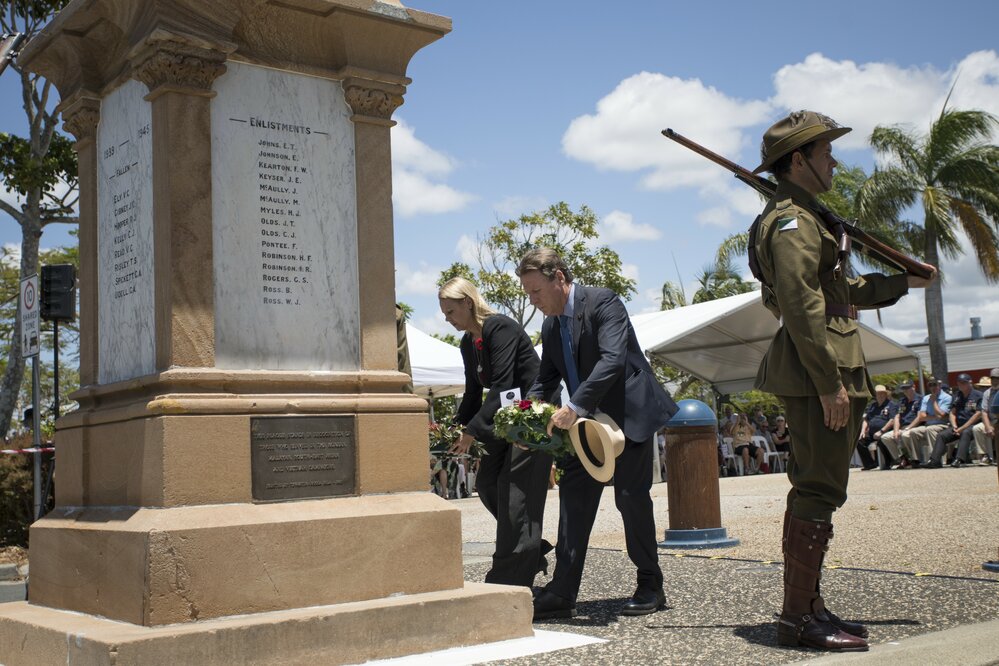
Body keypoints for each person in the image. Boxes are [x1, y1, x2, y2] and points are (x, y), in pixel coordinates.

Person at [751, 110, 936, 651]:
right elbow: (802, 302)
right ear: (799, 160)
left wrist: (902, 281)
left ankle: (805, 606)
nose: (835, 160)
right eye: (826, 152)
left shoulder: (806, 217)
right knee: (818, 489)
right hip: (820, 371)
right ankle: (798, 617)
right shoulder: (792, 221)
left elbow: (841, 289)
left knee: (818, 488)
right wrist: (830, 382)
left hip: (824, 366)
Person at [517, 247, 678, 620]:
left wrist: (573, 407)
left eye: (536, 291)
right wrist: (525, 416)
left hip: (628, 416)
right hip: (585, 425)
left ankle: (651, 584)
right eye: (528, 294)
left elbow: (612, 361)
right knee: (573, 499)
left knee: (630, 499)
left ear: (559, 277)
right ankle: (562, 591)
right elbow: (545, 379)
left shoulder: (604, 302)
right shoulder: (550, 325)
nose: (533, 301)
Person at [439, 277, 553, 587]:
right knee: (488, 484)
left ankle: (510, 577)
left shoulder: (499, 327)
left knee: (513, 488)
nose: (447, 319)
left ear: (468, 303)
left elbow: (503, 385)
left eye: (451, 311)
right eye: (444, 313)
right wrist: (455, 428)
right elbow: (474, 392)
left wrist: (473, 432)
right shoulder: (468, 342)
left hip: (533, 413)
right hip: (506, 415)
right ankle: (530, 547)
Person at [925, 373, 983, 468]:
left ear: (970, 382)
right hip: (958, 425)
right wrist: (955, 426)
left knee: (966, 432)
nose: (961, 384)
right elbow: (952, 412)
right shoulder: (957, 396)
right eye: (959, 382)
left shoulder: (978, 395)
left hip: (973, 425)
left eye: (964, 382)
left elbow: (977, 415)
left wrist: (962, 428)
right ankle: (934, 460)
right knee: (942, 435)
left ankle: (959, 459)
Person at [898, 378, 952, 466]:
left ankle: (934, 459)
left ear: (939, 385)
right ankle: (916, 460)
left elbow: (942, 415)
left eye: (935, 385)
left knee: (930, 430)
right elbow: (921, 417)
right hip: (928, 425)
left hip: (943, 425)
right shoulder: (926, 398)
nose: (933, 387)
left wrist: (934, 401)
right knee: (913, 432)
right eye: (930, 385)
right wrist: (935, 417)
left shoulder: (947, 397)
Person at [879, 380, 922, 468]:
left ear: (913, 387)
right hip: (902, 427)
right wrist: (895, 431)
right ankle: (902, 459)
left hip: (915, 426)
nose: (905, 391)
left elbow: (919, 417)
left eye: (907, 388)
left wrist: (908, 428)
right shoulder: (902, 401)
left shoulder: (920, 399)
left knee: (905, 435)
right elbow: (897, 417)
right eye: (903, 388)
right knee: (886, 437)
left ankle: (914, 460)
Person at [855, 385, 897, 470]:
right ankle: (869, 464)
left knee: (882, 440)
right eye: (878, 394)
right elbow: (866, 420)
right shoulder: (872, 406)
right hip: (872, 433)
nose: (880, 395)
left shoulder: (891, 405)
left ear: (885, 394)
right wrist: (863, 431)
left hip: (885, 431)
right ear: (875, 395)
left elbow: (892, 420)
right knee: (859, 440)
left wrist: (881, 431)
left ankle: (887, 463)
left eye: (882, 393)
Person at [971, 370, 998, 464]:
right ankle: (985, 456)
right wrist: (988, 427)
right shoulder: (987, 393)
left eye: (997, 378)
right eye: (993, 378)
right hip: (991, 421)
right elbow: (984, 412)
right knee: (977, 428)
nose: (995, 381)